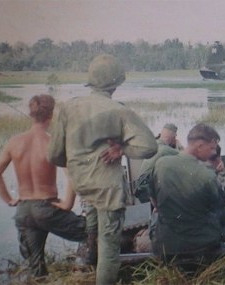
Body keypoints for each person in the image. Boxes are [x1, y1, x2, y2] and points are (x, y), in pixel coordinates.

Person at [47, 54, 158, 285]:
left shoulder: (68, 108)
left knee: (92, 222)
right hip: (107, 189)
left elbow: (55, 155)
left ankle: (89, 263)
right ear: (116, 83)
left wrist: (79, 162)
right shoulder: (119, 110)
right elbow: (149, 147)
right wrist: (123, 149)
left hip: (81, 184)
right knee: (109, 244)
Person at [0, 94, 87, 278]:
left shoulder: (14, 142)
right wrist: (67, 204)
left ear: (31, 114)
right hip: (47, 208)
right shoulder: (52, 143)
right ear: (51, 115)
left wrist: (9, 200)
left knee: (36, 269)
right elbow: (72, 176)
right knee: (91, 232)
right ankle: (91, 268)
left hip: (24, 210)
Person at [150, 123, 225, 260]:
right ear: (200, 146)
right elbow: (220, 207)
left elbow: (153, 198)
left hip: (165, 246)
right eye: (212, 148)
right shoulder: (208, 176)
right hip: (201, 247)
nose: (214, 153)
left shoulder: (161, 164)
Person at [135, 123, 180, 203]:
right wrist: (179, 146)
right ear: (173, 137)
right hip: (147, 192)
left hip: (141, 189)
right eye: (175, 137)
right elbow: (185, 158)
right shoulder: (164, 150)